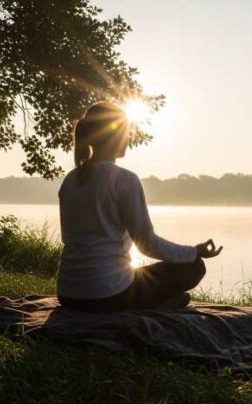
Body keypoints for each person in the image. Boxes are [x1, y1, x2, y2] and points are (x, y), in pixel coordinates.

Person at [56, 102, 222, 312]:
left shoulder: (70, 180)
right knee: (194, 267)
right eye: (126, 132)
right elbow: (147, 244)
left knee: (142, 275)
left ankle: (160, 301)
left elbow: (67, 237)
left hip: (68, 294)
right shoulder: (125, 180)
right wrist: (194, 252)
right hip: (107, 296)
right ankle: (161, 303)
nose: (128, 138)